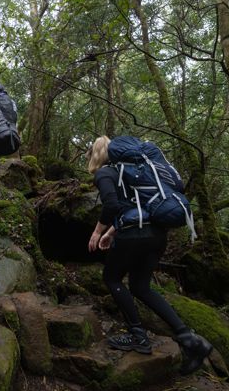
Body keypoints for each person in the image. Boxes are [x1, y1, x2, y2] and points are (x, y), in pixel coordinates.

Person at [87, 135, 212, 375]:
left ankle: (137, 335)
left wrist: (97, 232)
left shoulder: (106, 173)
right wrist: (112, 232)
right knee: (141, 287)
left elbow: (112, 206)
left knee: (112, 279)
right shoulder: (135, 173)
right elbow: (137, 208)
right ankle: (190, 340)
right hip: (157, 235)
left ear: (96, 154)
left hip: (133, 235)